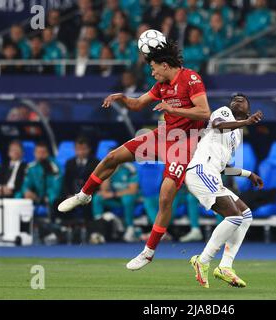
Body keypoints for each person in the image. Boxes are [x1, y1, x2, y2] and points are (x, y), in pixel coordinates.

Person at [58, 39, 211, 270]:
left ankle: (148, 252)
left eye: (153, 68)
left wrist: (172, 109)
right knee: (112, 157)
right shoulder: (161, 85)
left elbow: (204, 112)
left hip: (186, 142)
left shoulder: (191, 78)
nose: (151, 72)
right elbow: (138, 104)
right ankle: (84, 195)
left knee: (165, 196)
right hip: (164, 136)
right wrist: (121, 98)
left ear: (165, 66)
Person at [186, 93, 263, 288]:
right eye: (234, 98)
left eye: (242, 99)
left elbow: (223, 166)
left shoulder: (237, 135)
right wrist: (246, 121)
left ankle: (225, 266)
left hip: (212, 174)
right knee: (234, 217)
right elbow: (219, 125)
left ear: (248, 108)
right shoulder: (224, 112)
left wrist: (248, 174)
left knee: (245, 215)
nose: (237, 99)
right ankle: (202, 260)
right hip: (200, 170)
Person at [92, 162, 139, 242]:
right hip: (115, 200)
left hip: (129, 198)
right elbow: (104, 191)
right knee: (97, 197)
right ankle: (99, 228)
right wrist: (109, 173)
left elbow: (133, 190)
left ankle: (130, 228)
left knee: (127, 199)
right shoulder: (107, 167)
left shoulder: (130, 168)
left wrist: (114, 194)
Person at [60, 137, 99, 222]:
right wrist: (68, 194)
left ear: (89, 149)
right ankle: (63, 226)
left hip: (88, 196)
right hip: (72, 194)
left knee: (90, 204)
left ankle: (89, 226)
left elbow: (97, 183)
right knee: (58, 201)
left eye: (84, 149)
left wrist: (85, 196)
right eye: (78, 149)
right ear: (74, 149)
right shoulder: (69, 163)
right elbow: (66, 182)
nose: (80, 152)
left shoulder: (95, 163)